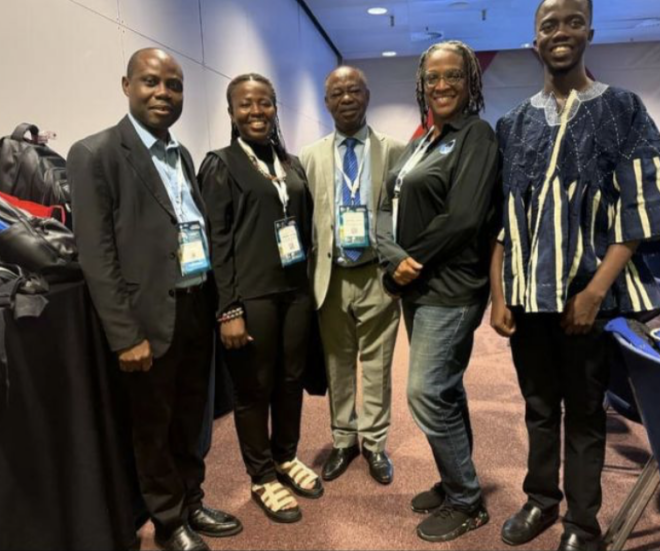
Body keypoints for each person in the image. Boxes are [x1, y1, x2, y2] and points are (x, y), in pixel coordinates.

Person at [491, 0, 660, 551]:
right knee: (537, 406)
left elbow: (639, 210)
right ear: (534, 40)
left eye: (573, 22)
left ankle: (582, 523)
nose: (561, 32)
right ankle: (540, 499)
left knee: (585, 411)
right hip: (528, 294)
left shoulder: (621, 108)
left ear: (589, 33)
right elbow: (505, 219)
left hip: (590, 294)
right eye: (550, 24)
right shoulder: (512, 124)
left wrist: (595, 290)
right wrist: (498, 292)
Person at [67, 48, 242, 551]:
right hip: (146, 320)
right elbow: (97, 256)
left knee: (191, 417)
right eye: (151, 82)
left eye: (174, 85)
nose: (164, 93)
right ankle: (168, 522)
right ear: (126, 86)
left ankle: (192, 500)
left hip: (193, 306)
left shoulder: (181, 155)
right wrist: (126, 335)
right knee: (153, 426)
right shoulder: (95, 154)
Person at [376, 40, 501, 543]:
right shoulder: (424, 141)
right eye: (433, 77)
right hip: (417, 286)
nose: (442, 85)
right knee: (446, 387)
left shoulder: (476, 136)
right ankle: (455, 484)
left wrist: (413, 261)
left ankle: (468, 501)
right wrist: (391, 258)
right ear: (421, 84)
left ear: (470, 81)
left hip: (450, 289)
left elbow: (465, 217)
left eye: (453, 76)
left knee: (426, 392)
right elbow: (386, 205)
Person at [198, 73, 322, 525]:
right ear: (231, 112)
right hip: (250, 298)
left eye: (265, 103)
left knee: (291, 380)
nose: (256, 112)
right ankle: (262, 475)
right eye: (246, 105)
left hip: (294, 293)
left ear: (275, 108)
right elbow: (217, 241)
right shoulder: (221, 164)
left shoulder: (290, 164)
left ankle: (287, 456)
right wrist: (227, 308)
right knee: (254, 389)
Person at [300, 66, 404, 485]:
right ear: (326, 103)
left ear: (367, 95)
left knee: (377, 365)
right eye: (337, 92)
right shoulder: (308, 157)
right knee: (337, 363)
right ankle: (343, 440)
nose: (346, 98)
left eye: (354, 90)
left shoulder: (394, 151)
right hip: (331, 276)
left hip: (377, 275)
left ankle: (375, 443)